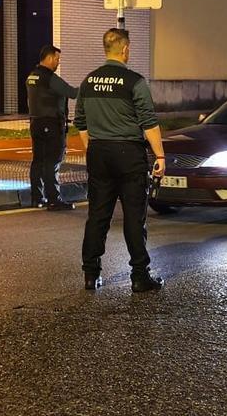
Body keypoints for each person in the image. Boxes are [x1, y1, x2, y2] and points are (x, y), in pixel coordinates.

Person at [74, 28, 166, 292]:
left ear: (106, 49)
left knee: (97, 216)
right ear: (125, 49)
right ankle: (139, 275)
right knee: (134, 216)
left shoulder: (88, 81)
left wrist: (94, 148)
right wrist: (159, 155)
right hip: (129, 154)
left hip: (99, 153)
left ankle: (91, 274)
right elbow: (149, 123)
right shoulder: (134, 81)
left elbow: (80, 122)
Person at [26, 45, 78, 210]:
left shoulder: (31, 76)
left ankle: (37, 198)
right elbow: (72, 92)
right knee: (52, 162)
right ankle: (54, 199)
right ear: (48, 58)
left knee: (38, 161)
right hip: (51, 124)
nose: (58, 62)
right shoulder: (50, 78)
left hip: (36, 122)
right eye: (57, 59)